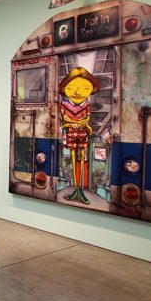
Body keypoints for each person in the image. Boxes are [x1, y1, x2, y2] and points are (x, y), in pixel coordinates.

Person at [59, 67, 100, 205]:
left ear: (92, 89)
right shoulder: (64, 104)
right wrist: (77, 122)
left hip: (82, 131)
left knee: (82, 157)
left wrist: (78, 123)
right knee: (72, 157)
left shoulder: (87, 105)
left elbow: (86, 118)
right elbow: (65, 118)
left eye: (85, 88)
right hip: (72, 131)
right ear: (64, 89)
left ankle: (79, 188)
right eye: (71, 88)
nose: (77, 92)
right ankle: (77, 187)